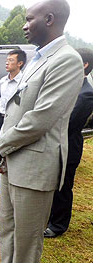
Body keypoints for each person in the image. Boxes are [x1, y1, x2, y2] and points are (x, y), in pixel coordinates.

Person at [0, 1, 84, 263]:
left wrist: (0, 144)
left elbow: (40, 118)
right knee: (9, 222)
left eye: (29, 19)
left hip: (36, 161)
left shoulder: (66, 60)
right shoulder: (38, 59)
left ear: (49, 19)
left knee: (28, 233)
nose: (24, 25)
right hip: (14, 155)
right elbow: (16, 106)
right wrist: (5, 148)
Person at [45, 48, 93, 238]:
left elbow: (69, 122)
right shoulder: (70, 86)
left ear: (84, 65)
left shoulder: (86, 93)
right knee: (53, 183)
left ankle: (58, 224)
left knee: (63, 186)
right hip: (56, 143)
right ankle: (50, 217)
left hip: (68, 146)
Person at [0, 50, 26, 193]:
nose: (7, 62)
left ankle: (7, 179)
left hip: (13, 119)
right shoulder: (3, 80)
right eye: (7, 60)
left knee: (7, 149)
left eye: (11, 60)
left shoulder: (23, 82)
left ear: (20, 63)